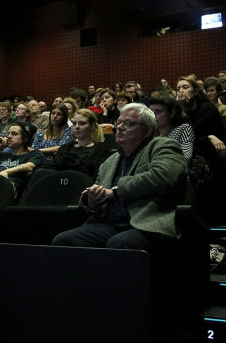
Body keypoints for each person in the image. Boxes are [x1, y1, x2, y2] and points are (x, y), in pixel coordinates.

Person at [51, 104, 187, 251]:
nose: (120, 127)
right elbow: (96, 195)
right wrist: (91, 200)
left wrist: (115, 191)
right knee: (64, 240)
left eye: (129, 123)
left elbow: (163, 177)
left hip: (146, 222)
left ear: (147, 130)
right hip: (108, 223)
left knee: (120, 243)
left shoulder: (163, 146)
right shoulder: (109, 161)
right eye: (119, 122)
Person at [176, 75, 226, 178]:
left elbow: (190, 135)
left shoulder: (208, 109)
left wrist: (182, 107)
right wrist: (208, 137)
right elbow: (177, 139)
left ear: (196, 91)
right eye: (178, 89)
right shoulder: (178, 113)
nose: (181, 91)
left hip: (218, 154)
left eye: (185, 87)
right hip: (195, 153)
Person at [33, 108, 113, 181]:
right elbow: (53, 166)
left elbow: (92, 174)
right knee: (38, 172)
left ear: (92, 126)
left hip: (79, 184)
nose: (77, 127)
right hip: (57, 182)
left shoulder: (99, 149)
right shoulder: (67, 147)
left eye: (82, 123)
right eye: (74, 124)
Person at [149, 92, 194, 164]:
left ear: (171, 113)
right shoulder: (152, 136)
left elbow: (185, 159)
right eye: (151, 111)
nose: (153, 115)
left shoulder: (183, 129)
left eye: (158, 111)